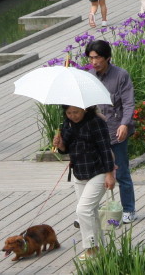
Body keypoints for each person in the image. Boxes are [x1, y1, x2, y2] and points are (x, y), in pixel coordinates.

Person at [52, 105, 114, 261]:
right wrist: (60, 145)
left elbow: (105, 148)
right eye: (69, 113)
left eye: (76, 112)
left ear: (84, 109)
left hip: (98, 170)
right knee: (91, 212)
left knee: (83, 210)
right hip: (79, 172)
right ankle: (101, 248)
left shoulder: (96, 122)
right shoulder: (67, 124)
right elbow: (66, 148)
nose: (73, 116)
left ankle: (91, 247)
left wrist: (110, 174)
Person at [84, 39, 136, 222]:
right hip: (96, 133)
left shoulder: (121, 75)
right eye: (91, 58)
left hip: (116, 131)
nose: (94, 62)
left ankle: (129, 209)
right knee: (96, 174)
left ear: (107, 57)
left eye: (97, 57)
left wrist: (124, 124)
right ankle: (94, 210)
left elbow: (129, 103)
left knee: (122, 172)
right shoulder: (89, 76)